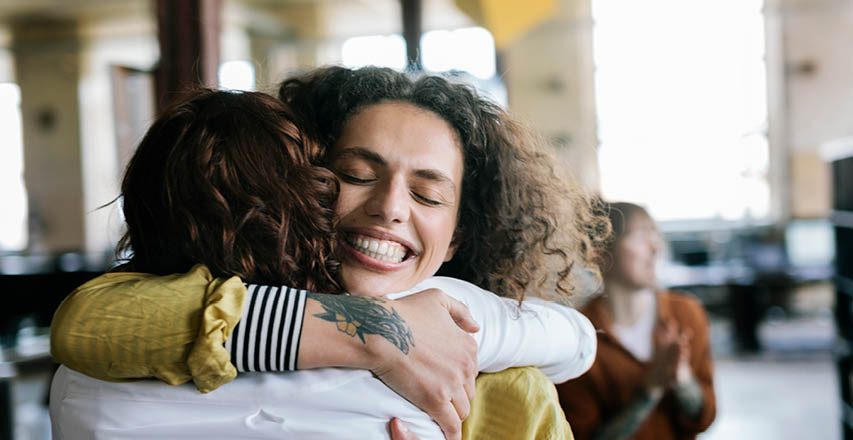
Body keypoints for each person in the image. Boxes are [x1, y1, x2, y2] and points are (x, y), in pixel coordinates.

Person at [50, 67, 607, 438]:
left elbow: (576, 341)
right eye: (355, 175)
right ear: (302, 184)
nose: (390, 207)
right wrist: (377, 330)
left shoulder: (503, 386)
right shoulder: (173, 315)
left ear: (460, 235)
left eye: (428, 194)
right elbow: (86, 322)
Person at [556, 202, 716, 440]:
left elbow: (704, 418)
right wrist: (650, 388)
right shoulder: (576, 334)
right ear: (599, 253)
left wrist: (682, 379)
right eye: (640, 236)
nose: (656, 247)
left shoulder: (687, 314)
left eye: (655, 234)